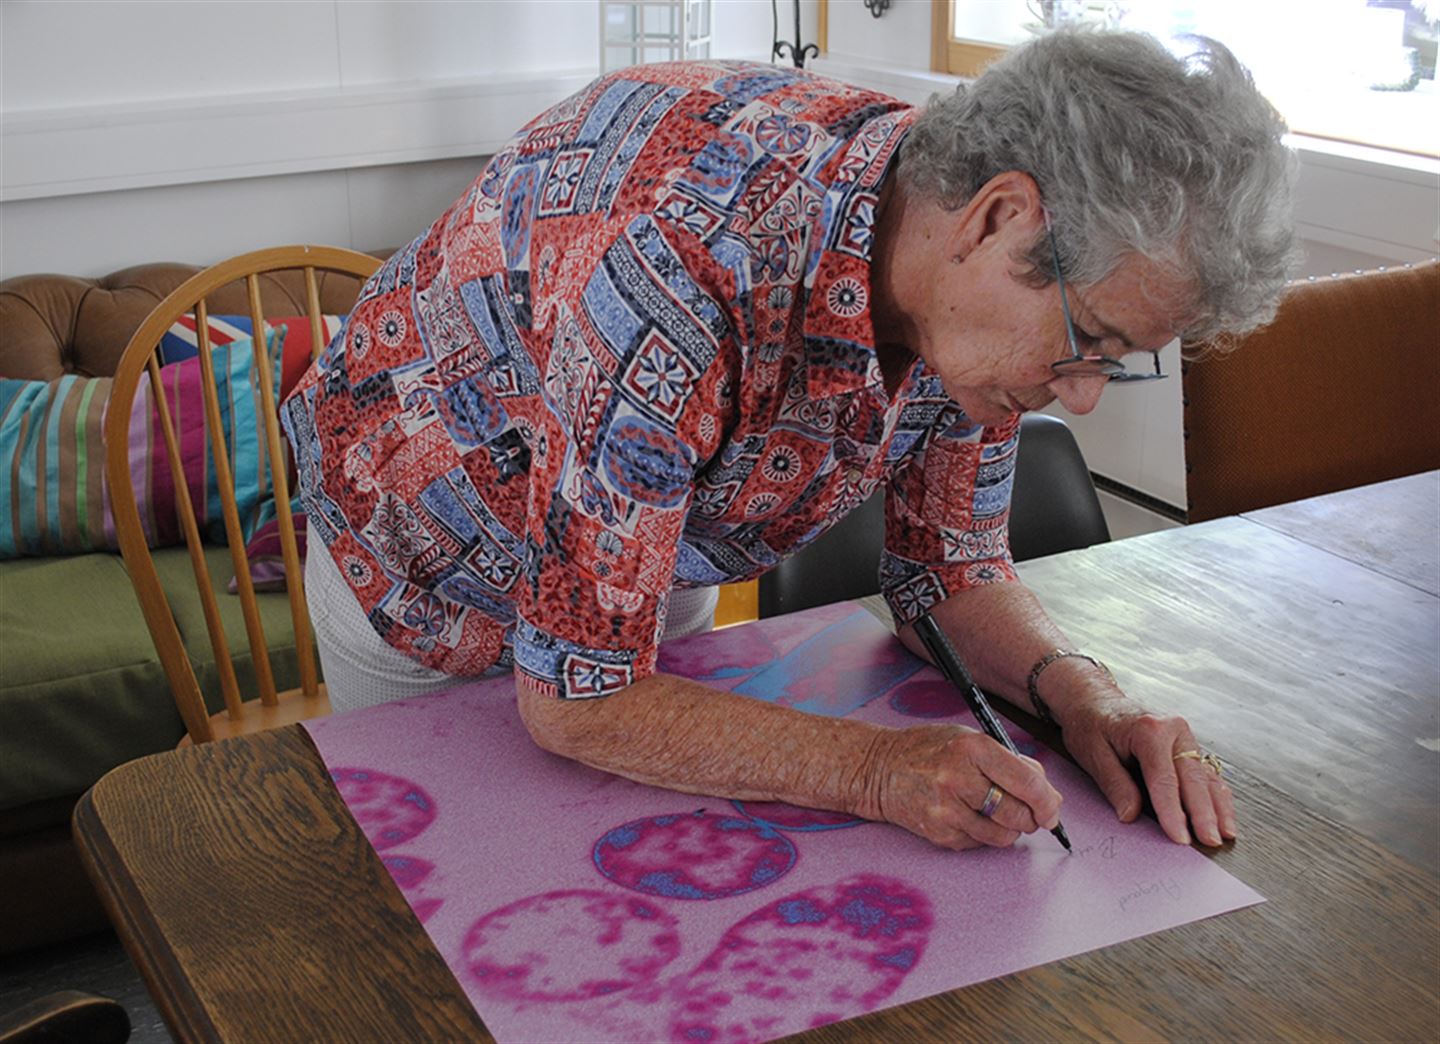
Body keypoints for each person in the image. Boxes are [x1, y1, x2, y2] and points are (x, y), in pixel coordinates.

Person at [282, 28, 1296, 854]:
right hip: (427, 567)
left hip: (639, 553)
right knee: (456, 916)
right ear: (997, 221)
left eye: (1118, 358)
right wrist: (874, 771)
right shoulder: (683, 269)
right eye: (1091, 345)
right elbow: (581, 700)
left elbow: (948, 569)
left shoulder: (960, 291)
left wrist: (1084, 697)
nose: (1078, 398)